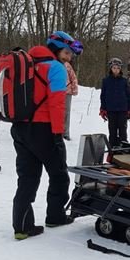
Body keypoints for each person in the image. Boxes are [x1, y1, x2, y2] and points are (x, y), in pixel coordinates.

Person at [11, 30, 79, 240]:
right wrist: (58, 134)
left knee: (27, 178)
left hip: (20, 128)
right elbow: (57, 104)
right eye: (67, 53)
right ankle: (55, 216)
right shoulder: (56, 68)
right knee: (59, 174)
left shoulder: (26, 65)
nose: (69, 57)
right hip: (44, 129)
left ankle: (22, 227)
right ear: (58, 48)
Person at [100, 57, 130, 147]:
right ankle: (112, 152)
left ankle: (124, 151)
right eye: (114, 68)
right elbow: (103, 96)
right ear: (111, 68)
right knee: (112, 132)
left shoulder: (124, 81)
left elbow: (129, 95)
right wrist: (103, 108)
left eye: (118, 68)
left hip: (123, 109)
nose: (116, 70)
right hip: (111, 110)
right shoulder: (106, 81)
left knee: (123, 132)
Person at [61, 39, 83, 140]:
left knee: (66, 113)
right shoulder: (55, 64)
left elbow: (73, 77)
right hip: (57, 92)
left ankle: (65, 132)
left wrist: (74, 90)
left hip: (67, 92)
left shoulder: (67, 66)